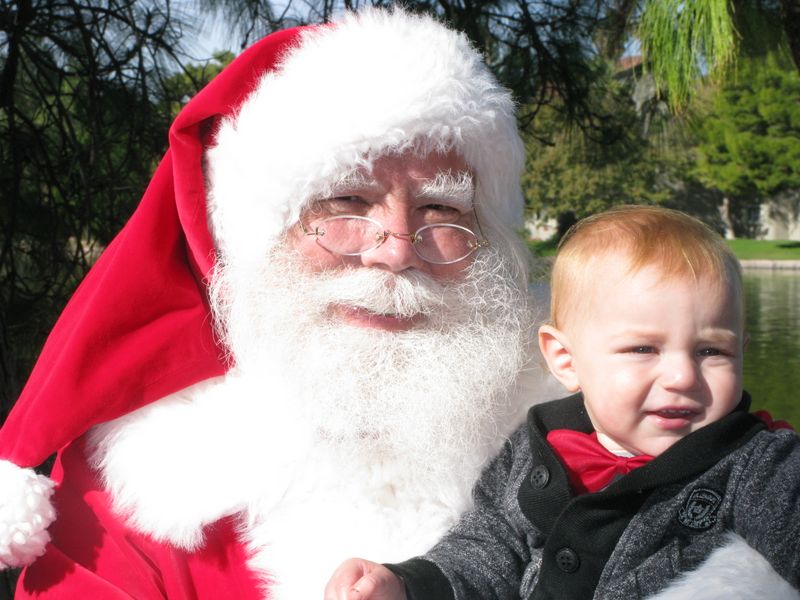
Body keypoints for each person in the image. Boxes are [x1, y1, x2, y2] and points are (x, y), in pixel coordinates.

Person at [325, 205, 800, 600]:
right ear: (565, 360)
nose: (681, 376)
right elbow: (488, 549)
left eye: (712, 351)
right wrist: (408, 584)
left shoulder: (758, 466)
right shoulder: (539, 448)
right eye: (643, 349)